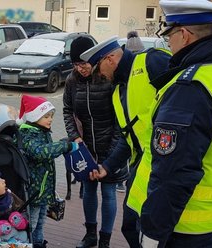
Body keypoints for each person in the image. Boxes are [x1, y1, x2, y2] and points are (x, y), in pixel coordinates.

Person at [124, 0, 212, 247]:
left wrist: (153, 233)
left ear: (184, 35)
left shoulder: (190, 89)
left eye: (169, 37)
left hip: (182, 226)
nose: (168, 44)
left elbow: (173, 174)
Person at [80, 35, 172, 247]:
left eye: (99, 69)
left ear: (110, 59)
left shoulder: (152, 61)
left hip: (166, 165)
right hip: (141, 167)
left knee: (155, 231)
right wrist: (108, 166)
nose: (100, 75)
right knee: (130, 226)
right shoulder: (118, 92)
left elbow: (185, 98)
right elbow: (127, 136)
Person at [63, 36, 128, 248]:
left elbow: (121, 121)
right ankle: (90, 234)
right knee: (89, 191)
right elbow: (67, 111)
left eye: (84, 63)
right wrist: (75, 137)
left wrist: (111, 156)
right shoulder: (72, 81)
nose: (80, 69)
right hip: (86, 148)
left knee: (109, 194)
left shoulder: (108, 77)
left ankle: (105, 240)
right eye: (76, 64)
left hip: (111, 147)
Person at [16, 94, 78, 248]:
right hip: (34, 192)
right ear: (34, 117)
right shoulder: (28, 135)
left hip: (43, 191)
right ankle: (31, 244)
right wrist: (64, 146)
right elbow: (40, 152)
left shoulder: (42, 132)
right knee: (33, 222)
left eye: (51, 116)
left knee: (41, 222)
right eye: (46, 116)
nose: (50, 119)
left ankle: (38, 242)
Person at [115, 30, 146, 194]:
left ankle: (122, 179)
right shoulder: (118, 89)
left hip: (146, 157)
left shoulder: (147, 63)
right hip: (138, 155)